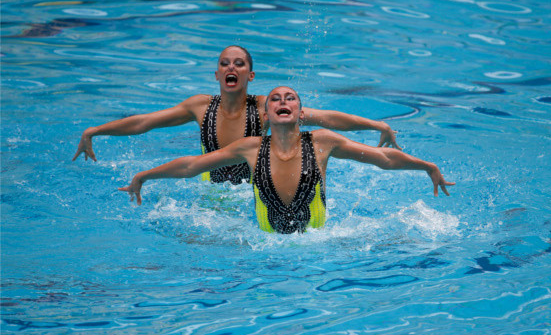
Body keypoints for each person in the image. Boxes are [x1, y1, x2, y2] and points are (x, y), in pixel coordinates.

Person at [119, 86, 454, 234]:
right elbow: (193, 165)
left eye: (290, 98)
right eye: (276, 99)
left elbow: (382, 158)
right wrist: (145, 175)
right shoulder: (249, 147)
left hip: (320, 248)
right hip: (262, 249)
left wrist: (428, 166)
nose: (282, 101)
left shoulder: (322, 141)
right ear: (266, 113)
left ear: (301, 112)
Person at [73, 45, 400, 184]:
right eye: (225, 63)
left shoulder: (266, 107)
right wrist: (95, 130)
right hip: (210, 190)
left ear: (249, 76)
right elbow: (145, 122)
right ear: (216, 74)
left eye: (239, 64)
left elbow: (323, 118)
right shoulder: (199, 107)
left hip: (252, 190)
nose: (231, 67)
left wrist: (376, 125)